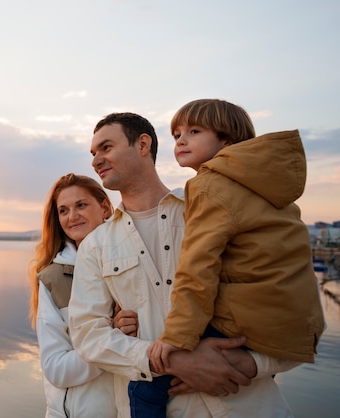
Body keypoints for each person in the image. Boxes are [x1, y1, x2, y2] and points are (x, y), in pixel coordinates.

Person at [69, 112, 300, 418]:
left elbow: (296, 313)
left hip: (250, 406)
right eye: (93, 153)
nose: (96, 160)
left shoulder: (217, 212)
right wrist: (171, 361)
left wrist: (249, 364)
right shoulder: (95, 246)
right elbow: (88, 335)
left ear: (142, 144)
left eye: (106, 147)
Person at [141, 99, 325, 416]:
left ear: (226, 139)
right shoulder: (268, 189)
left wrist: (176, 338)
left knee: (144, 385)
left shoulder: (209, 185)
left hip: (243, 321)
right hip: (288, 319)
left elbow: (197, 269)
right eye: (176, 134)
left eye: (194, 131)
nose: (181, 140)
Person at [29, 173, 139, 418]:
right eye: (63, 210)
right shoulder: (52, 279)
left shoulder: (134, 261)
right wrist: (111, 336)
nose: (72, 216)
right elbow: (57, 369)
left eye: (81, 205)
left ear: (104, 207)